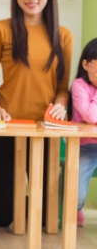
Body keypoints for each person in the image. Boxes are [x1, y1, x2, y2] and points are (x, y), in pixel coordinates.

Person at [0, 0, 73, 227]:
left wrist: (60, 106)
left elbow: (62, 88)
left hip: (45, 129)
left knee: (45, 216)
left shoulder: (63, 36)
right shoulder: (0, 29)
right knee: (4, 216)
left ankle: (13, 203)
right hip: (5, 127)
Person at [68, 38, 97, 227]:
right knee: (77, 195)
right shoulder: (79, 86)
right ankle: (76, 208)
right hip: (85, 146)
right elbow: (91, 115)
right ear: (86, 64)